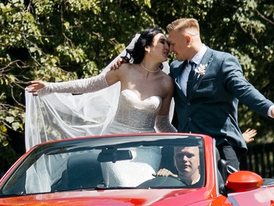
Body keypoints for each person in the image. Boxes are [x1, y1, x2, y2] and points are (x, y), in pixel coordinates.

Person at [161, 17, 274, 190]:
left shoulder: (222, 61)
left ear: (188, 40)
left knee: (228, 198)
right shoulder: (175, 67)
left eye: (173, 43)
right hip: (187, 151)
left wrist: (269, 108)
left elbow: (243, 88)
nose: (170, 49)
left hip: (220, 145)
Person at [24, 28, 173, 145]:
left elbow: (163, 124)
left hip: (146, 145)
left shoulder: (166, 82)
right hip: (116, 140)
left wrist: (191, 141)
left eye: (167, 43)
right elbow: (90, 84)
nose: (168, 46)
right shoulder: (124, 69)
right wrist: (50, 87)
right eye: (162, 42)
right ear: (147, 47)